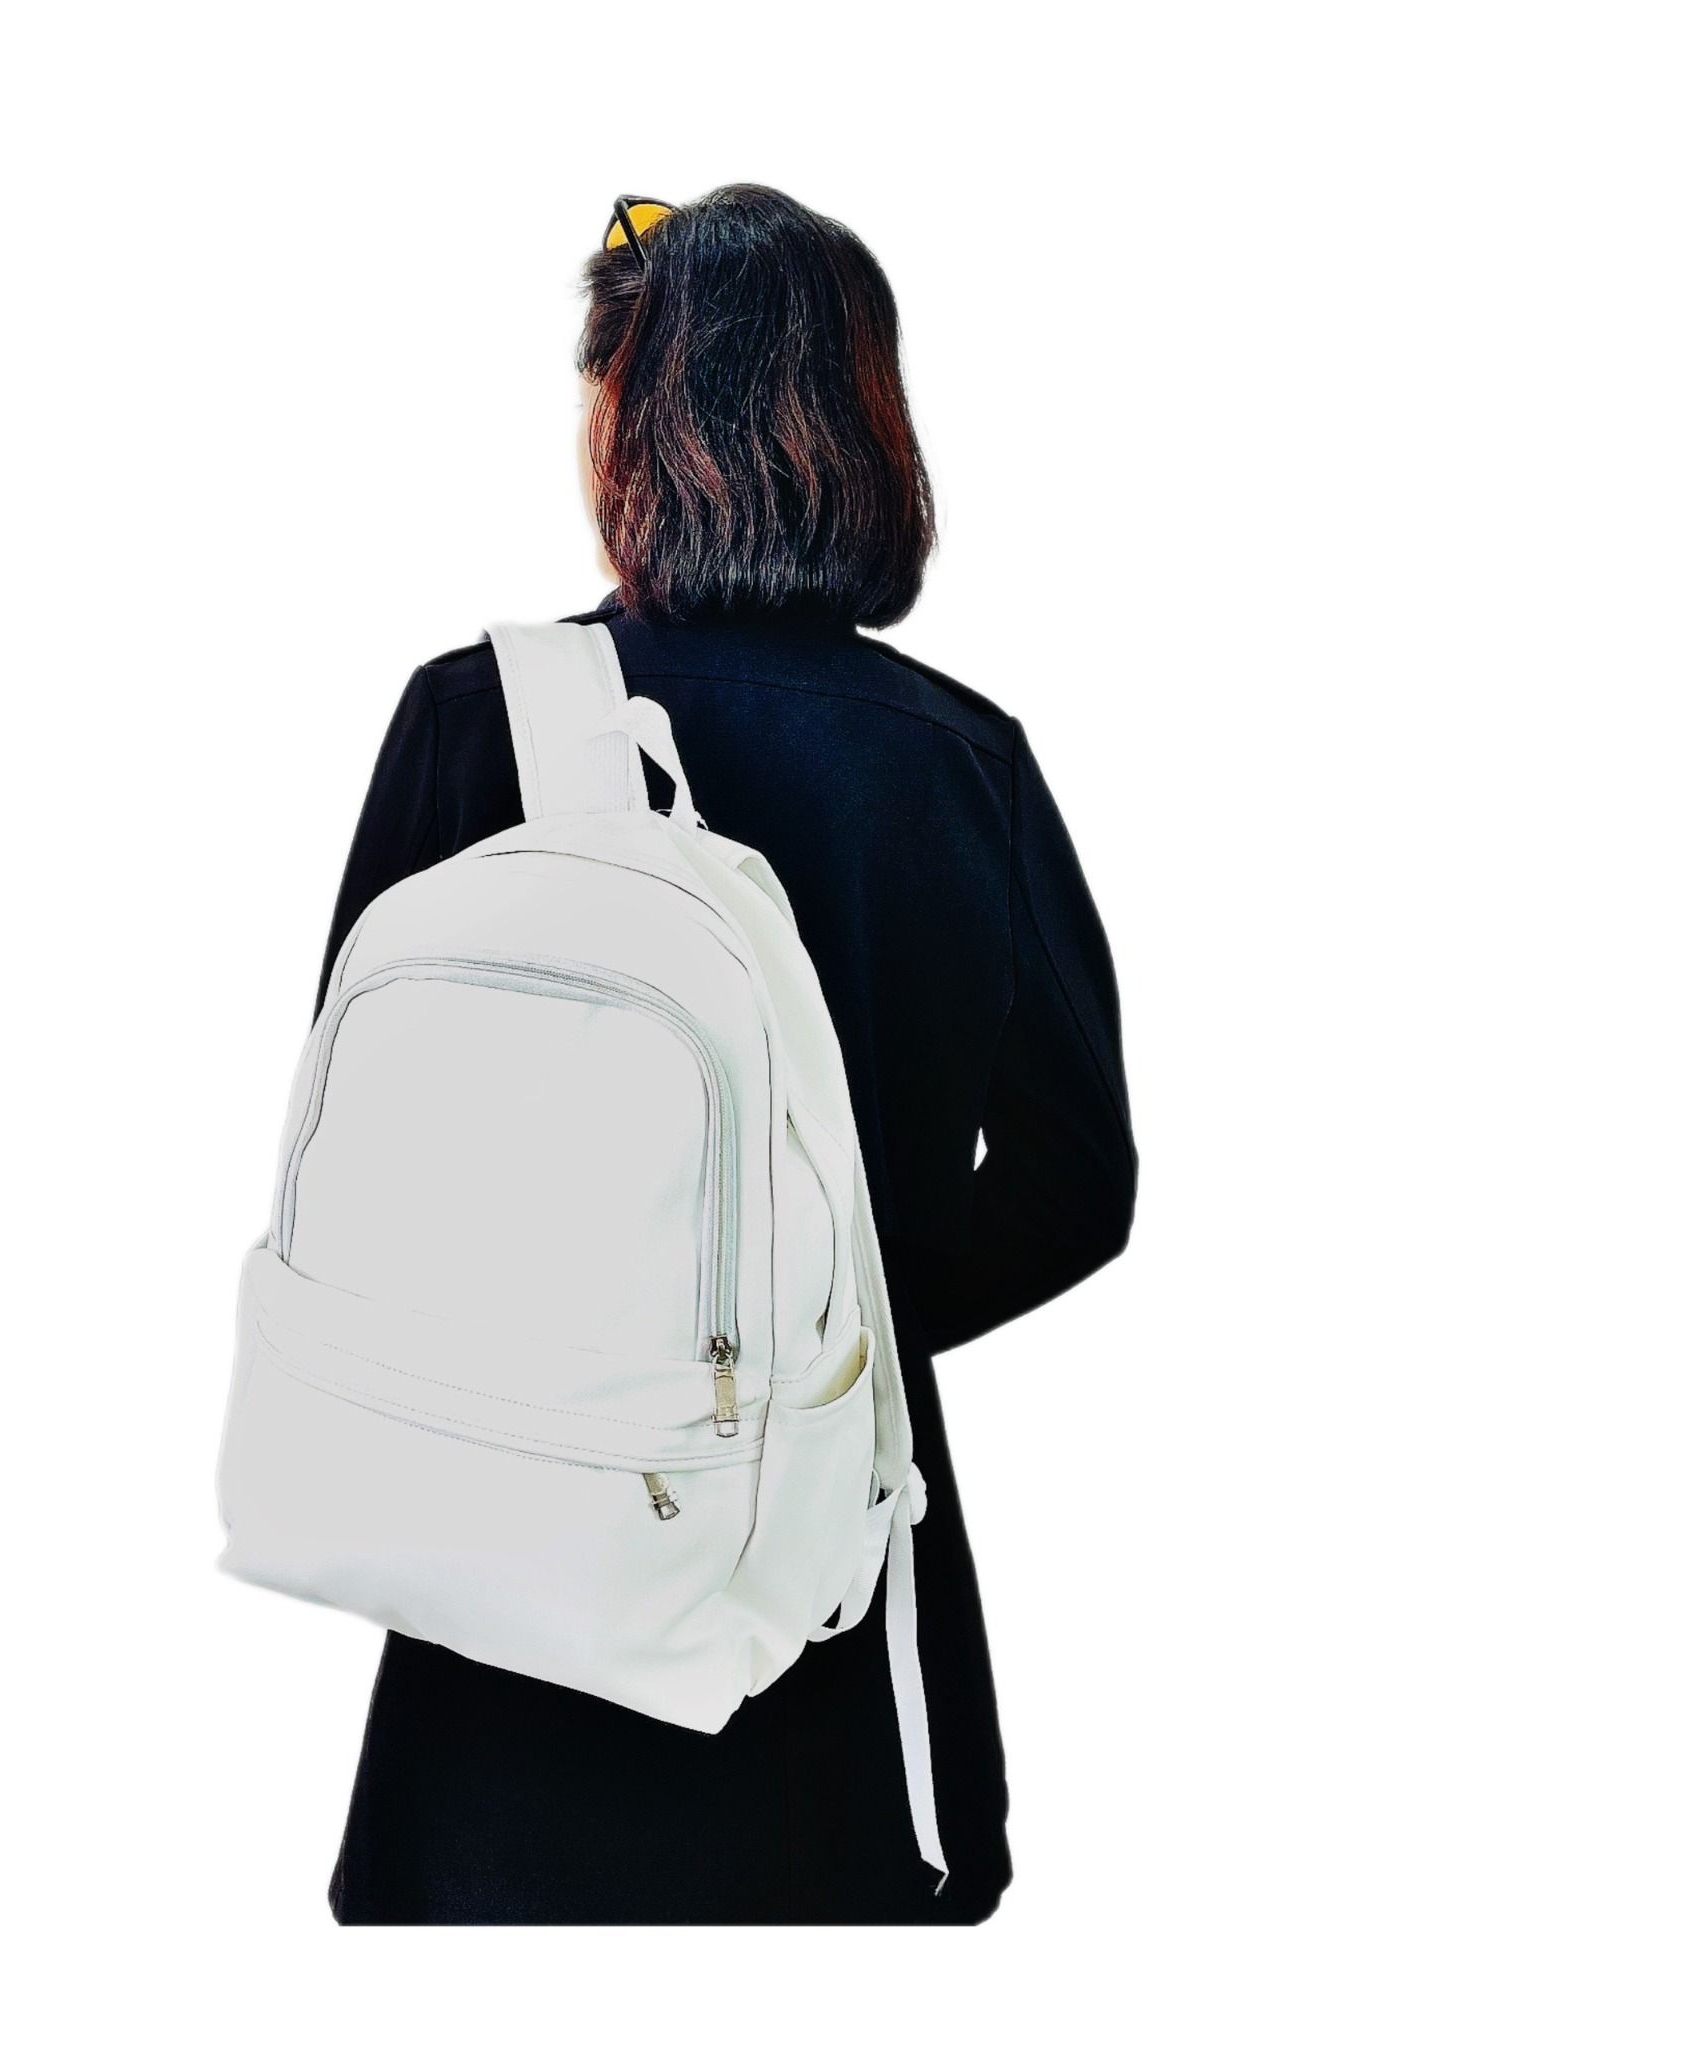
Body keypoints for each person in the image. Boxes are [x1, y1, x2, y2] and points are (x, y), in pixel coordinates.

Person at [316, 184, 1135, 1925]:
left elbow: (363, 1163)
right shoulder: (965, 763)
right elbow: (1081, 1184)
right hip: (833, 1623)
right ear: (868, 430)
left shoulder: (477, 715)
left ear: (630, 420)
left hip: (505, 1616)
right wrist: (817, 1345)